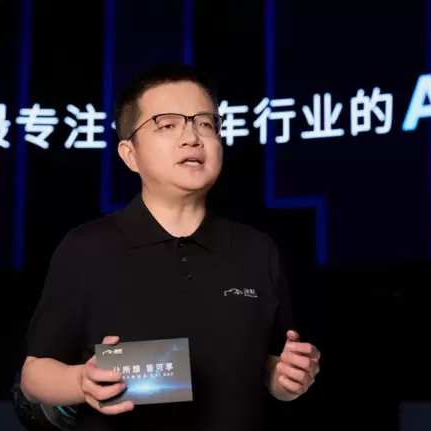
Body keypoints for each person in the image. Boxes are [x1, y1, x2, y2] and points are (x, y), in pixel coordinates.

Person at [20, 63, 321, 431]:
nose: (192, 137)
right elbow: (34, 374)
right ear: (129, 154)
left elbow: (269, 367)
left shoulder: (257, 249)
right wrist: (81, 381)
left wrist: (286, 379)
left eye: (206, 124)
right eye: (167, 125)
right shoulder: (86, 248)